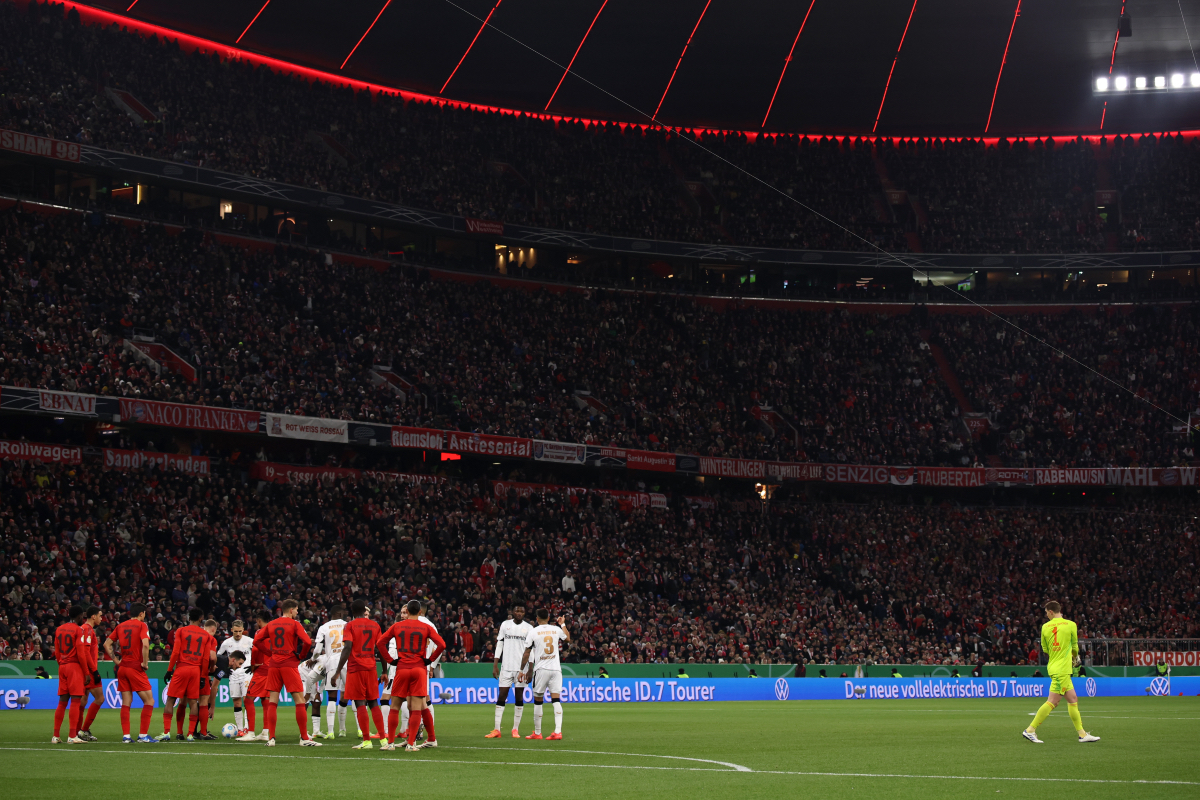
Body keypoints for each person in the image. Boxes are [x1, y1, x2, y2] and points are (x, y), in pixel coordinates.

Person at [1022, 601, 1100, 744]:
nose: (1046, 615)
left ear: (1051, 612)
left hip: (1055, 667)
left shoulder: (1045, 627)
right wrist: (1074, 657)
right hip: (1063, 669)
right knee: (1053, 702)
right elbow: (1075, 647)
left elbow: (1045, 650)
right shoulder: (1071, 625)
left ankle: (1082, 734)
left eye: (1046, 613)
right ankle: (1030, 730)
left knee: (1072, 699)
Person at [379, 599, 446, 752]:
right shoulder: (426, 627)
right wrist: (429, 660)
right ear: (420, 612)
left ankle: (390, 743)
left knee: (395, 706)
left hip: (401, 668)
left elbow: (380, 643)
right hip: (419, 669)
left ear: (407, 612)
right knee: (417, 707)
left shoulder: (397, 626)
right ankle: (411, 744)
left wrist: (390, 660)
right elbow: (442, 644)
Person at [263, 599, 320, 747]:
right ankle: (304, 738)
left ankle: (272, 738)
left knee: (273, 701)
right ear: (290, 610)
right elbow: (307, 642)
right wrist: (301, 656)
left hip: (274, 665)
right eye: (296, 610)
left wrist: (270, 653)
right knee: (300, 701)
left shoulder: (271, 624)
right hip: (289, 664)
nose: (296, 613)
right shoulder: (295, 624)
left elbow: (257, 640)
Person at [334, 600, 387, 750]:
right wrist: (384, 671)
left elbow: (348, 647)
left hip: (356, 668)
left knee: (360, 703)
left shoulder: (349, 626)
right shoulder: (375, 625)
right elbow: (381, 648)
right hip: (371, 668)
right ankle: (383, 739)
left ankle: (367, 741)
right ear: (364, 610)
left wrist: (338, 671)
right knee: (373, 702)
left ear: (352, 611)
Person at [104, 602, 157, 743]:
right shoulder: (142, 625)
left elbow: (106, 644)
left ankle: (126, 736)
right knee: (149, 701)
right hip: (135, 667)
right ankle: (143, 735)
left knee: (126, 702)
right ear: (141, 614)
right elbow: (145, 644)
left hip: (123, 668)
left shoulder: (121, 626)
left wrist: (117, 661)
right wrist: (145, 663)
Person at [158, 608, 214, 742]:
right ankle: (190, 734)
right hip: (195, 671)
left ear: (189, 618)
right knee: (193, 702)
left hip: (181, 668)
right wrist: (203, 676)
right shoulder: (206, 635)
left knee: (171, 699)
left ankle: (166, 732)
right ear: (201, 618)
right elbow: (206, 658)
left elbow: (175, 652)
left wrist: (169, 670)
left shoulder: (181, 631)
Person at [519, 609, 569, 741]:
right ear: (548, 618)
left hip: (541, 669)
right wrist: (562, 624)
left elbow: (526, 653)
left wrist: (521, 670)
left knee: (538, 701)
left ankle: (537, 732)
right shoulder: (556, 629)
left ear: (537, 618)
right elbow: (568, 639)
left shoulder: (533, 632)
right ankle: (558, 731)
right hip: (556, 670)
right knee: (556, 700)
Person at [487, 602, 534, 738]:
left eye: (522, 611)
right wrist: (495, 664)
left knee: (519, 696)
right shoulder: (505, 625)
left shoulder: (529, 628)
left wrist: (530, 669)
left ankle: (515, 729)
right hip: (506, 667)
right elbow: (500, 644)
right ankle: (497, 729)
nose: (519, 613)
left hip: (522, 669)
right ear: (512, 612)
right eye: (517, 610)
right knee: (502, 695)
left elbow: (531, 650)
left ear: (524, 613)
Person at [53, 605, 96, 744]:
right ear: (79, 616)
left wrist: (61, 663)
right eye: (82, 616)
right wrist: (86, 672)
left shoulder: (59, 629)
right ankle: (72, 736)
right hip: (74, 667)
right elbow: (81, 653)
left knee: (62, 702)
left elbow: (57, 650)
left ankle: (55, 736)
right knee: (76, 701)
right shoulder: (78, 630)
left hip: (63, 666)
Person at [312, 604, 349, 738]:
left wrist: (313, 659)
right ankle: (359, 730)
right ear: (340, 614)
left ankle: (331, 732)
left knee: (332, 698)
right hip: (348, 662)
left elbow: (317, 650)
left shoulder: (324, 627)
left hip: (332, 663)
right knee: (355, 696)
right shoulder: (348, 624)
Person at [236, 611, 273, 741]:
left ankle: (250, 732)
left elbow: (256, 650)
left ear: (258, 620)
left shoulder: (260, 632)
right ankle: (265, 732)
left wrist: (253, 666)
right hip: (272, 670)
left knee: (248, 699)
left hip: (261, 670)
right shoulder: (274, 631)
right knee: (266, 701)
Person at [218, 619, 255, 735]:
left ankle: (247, 727)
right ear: (231, 630)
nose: (238, 634)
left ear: (243, 630)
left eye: (240, 631)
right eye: (235, 632)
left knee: (247, 700)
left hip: (246, 675)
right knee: (237, 702)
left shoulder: (249, 641)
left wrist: (254, 667)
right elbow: (218, 657)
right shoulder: (226, 643)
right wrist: (225, 670)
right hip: (233, 676)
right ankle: (240, 729)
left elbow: (259, 652)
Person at [77, 606, 105, 741]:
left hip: (83, 670)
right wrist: (94, 671)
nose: (101, 618)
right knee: (100, 699)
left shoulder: (82, 629)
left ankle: (78, 732)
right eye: (100, 615)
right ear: (93, 616)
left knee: (82, 701)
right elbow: (86, 652)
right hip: (89, 670)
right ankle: (84, 729)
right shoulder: (88, 630)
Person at [195, 619, 220, 740]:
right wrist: (211, 668)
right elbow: (212, 657)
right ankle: (203, 732)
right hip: (202, 673)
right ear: (213, 629)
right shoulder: (211, 639)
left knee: (190, 702)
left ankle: (189, 732)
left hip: (189, 670)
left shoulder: (195, 635)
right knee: (204, 702)